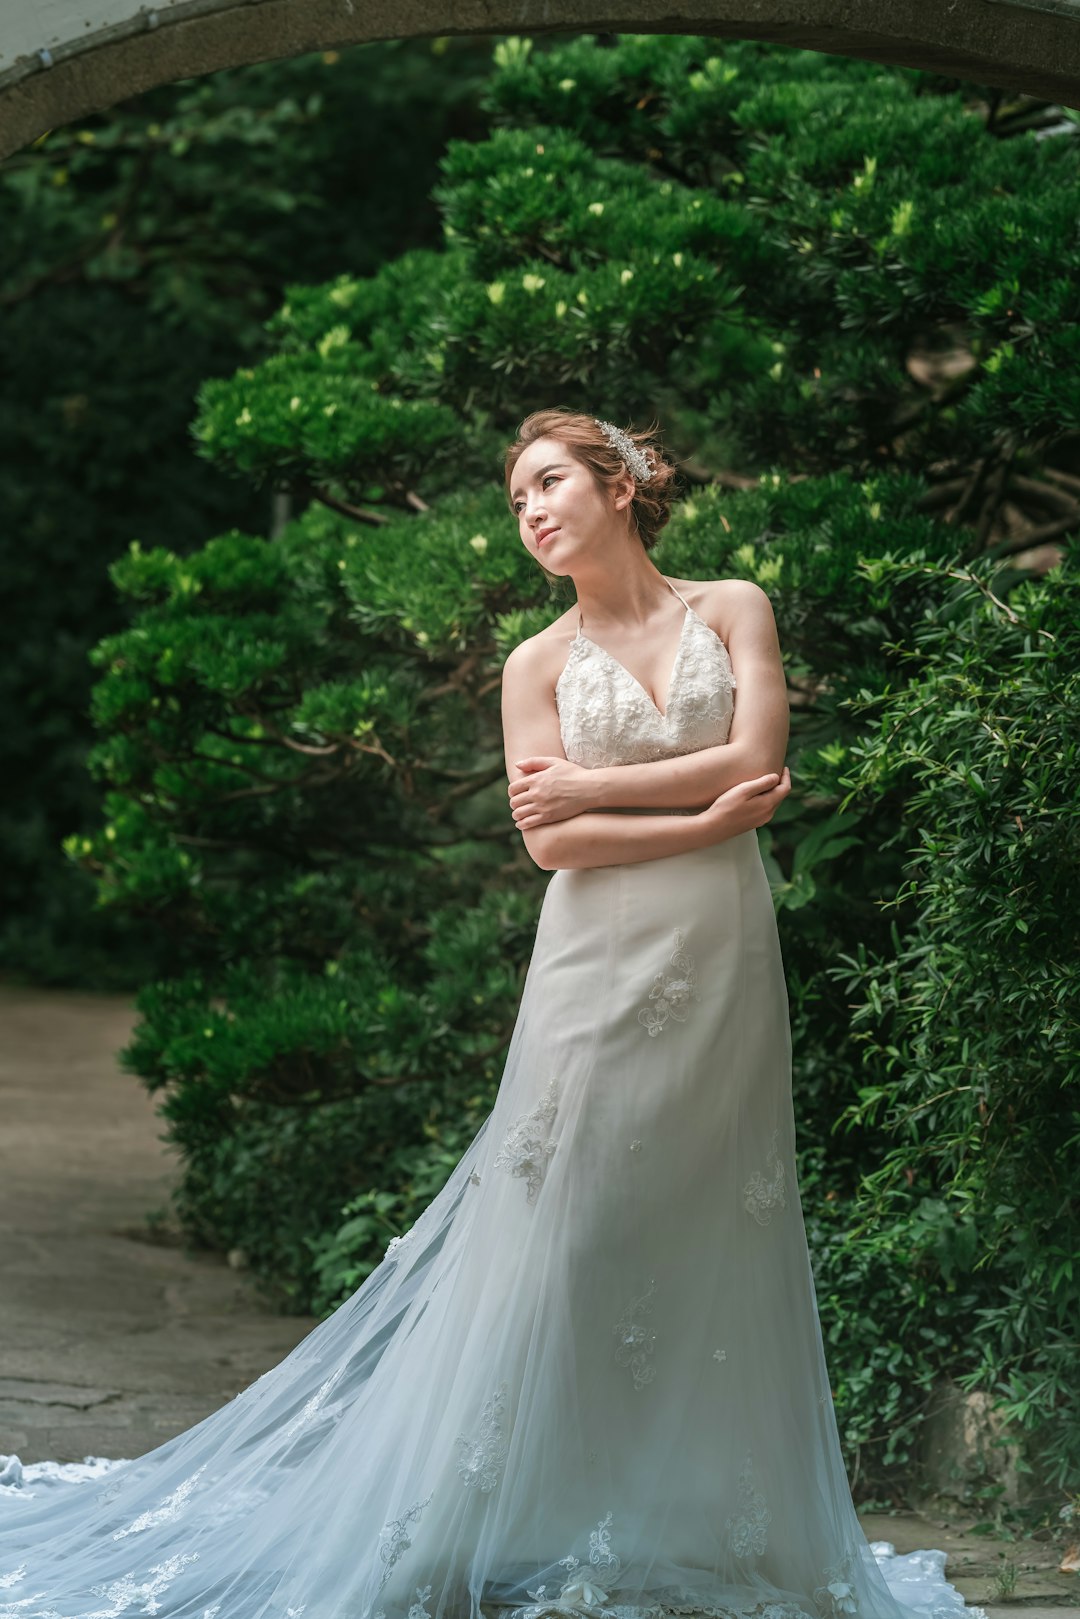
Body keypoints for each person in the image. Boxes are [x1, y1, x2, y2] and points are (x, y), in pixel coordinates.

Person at [0, 410, 981, 1619]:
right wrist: (694, 821)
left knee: (704, 1217)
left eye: (548, 482)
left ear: (619, 484)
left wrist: (611, 784)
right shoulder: (535, 663)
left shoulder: (735, 606)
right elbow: (550, 836)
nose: (528, 510)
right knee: (560, 1225)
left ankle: (683, 1514)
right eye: (515, 498)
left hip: (723, 955)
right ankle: (466, 1515)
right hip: (596, 960)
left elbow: (757, 752)